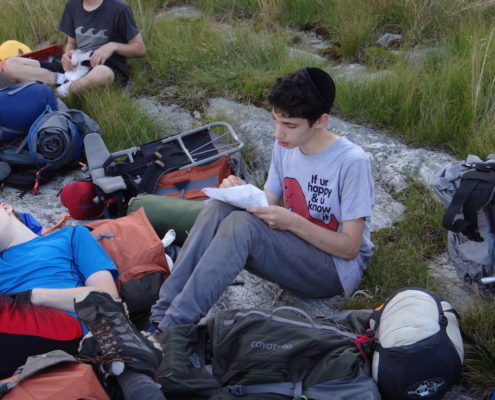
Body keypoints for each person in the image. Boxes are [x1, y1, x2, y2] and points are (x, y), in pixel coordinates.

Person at [147, 67, 375, 335]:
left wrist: (292, 222)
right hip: (295, 249)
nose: (279, 134)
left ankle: (171, 330)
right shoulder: (285, 147)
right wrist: (239, 192)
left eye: (290, 126)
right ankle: (159, 316)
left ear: (320, 121)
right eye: (276, 121)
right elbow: (267, 200)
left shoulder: (351, 161)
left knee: (243, 225)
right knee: (221, 208)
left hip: (332, 271)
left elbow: (350, 248)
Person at [0, 203, 164, 400]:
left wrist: (33, 296)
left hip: (71, 331)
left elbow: (105, 297)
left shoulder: (70, 236)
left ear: (6, 208)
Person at [2, 0, 145, 97]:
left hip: (106, 66)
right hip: (75, 66)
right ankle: (61, 81)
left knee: (102, 73)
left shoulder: (119, 8)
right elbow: (71, 43)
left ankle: (63, 92)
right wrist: (67, 56)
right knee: (11, 64)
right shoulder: (72, 5)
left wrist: (113, 46)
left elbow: (140, 49)